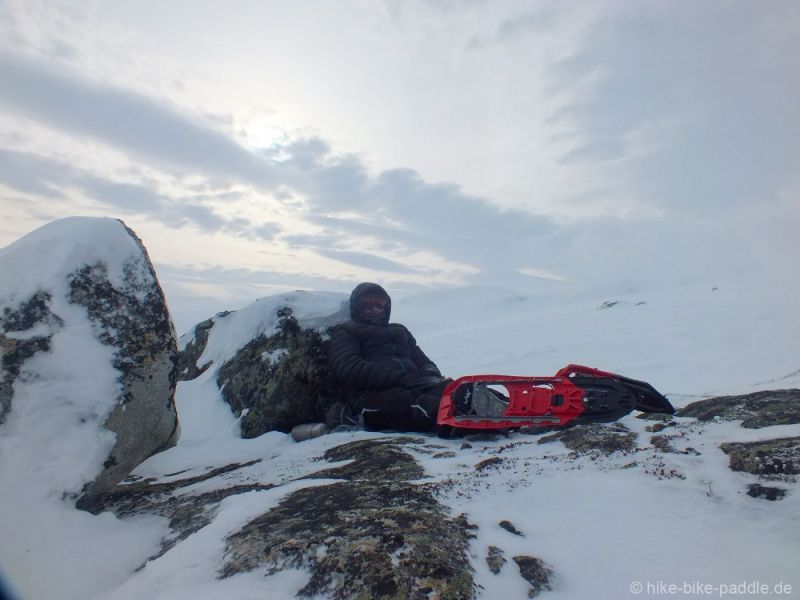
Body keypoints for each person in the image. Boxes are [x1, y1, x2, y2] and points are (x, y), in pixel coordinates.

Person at [327, 282, 451, 432]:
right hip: (372, 396)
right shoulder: (346, 332)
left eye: (379, 303)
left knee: (457, 390)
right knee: (422, 404)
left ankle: (482, 411)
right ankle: (459, 425)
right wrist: (399, 378)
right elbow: (348, 367)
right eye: (366, 304)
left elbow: (423, 361)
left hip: (414, 385)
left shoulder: (399, 331)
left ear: (387, 306)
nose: (374, 308)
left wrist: (429, 377)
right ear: (356, 306)